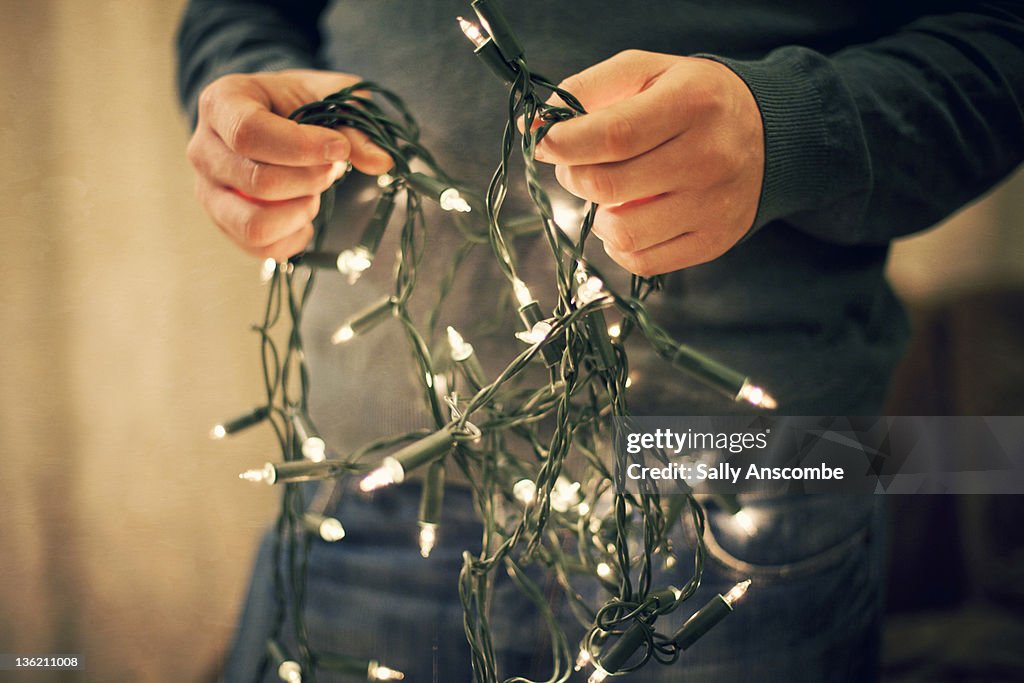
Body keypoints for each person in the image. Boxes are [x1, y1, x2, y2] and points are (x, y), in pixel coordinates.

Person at [176, 2, 1024, 681]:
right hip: (365, 484)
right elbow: (241, 13)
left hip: (727, 498)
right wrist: (235, 95)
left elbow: (997, 40)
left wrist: (787, 127)